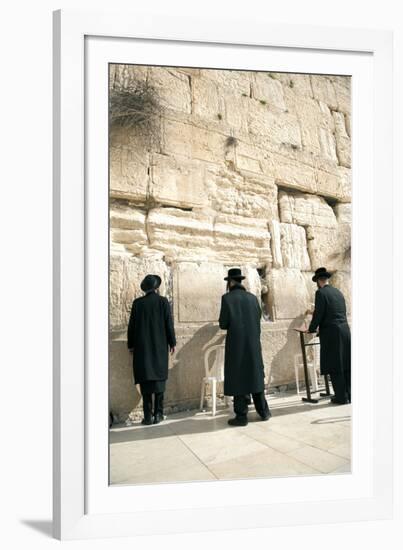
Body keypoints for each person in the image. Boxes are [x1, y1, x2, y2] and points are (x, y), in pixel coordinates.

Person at [218, 268, 271, 426]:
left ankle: (241, 416)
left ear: (230, 282)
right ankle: (264, 411)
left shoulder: (227, 299)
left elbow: (223, 323)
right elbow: (258, 318)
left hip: (236, 345)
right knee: (254, 374)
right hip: (253, 343)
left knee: (238, 376)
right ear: (240, 281)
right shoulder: (253, 298)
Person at [127, 274, 176, 425]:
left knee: (146, 381)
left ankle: (148, 417)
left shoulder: (137, 303)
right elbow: (169, 324)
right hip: (160, 347)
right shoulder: (163, 302)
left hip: (142, 349)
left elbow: (132, 327)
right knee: (159, 381)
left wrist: (131, 345)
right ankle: (158, 415)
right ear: (157, 287)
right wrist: (172, 342)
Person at [308, 267, 351, 404]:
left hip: (332, 333)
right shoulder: (338, 292)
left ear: (318, 281)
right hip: (345, 331)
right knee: (346, 364)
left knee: (335, 364)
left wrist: (312, 328)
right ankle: (350, 394)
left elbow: (318, 314)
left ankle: (341, 397)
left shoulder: (320, 293)